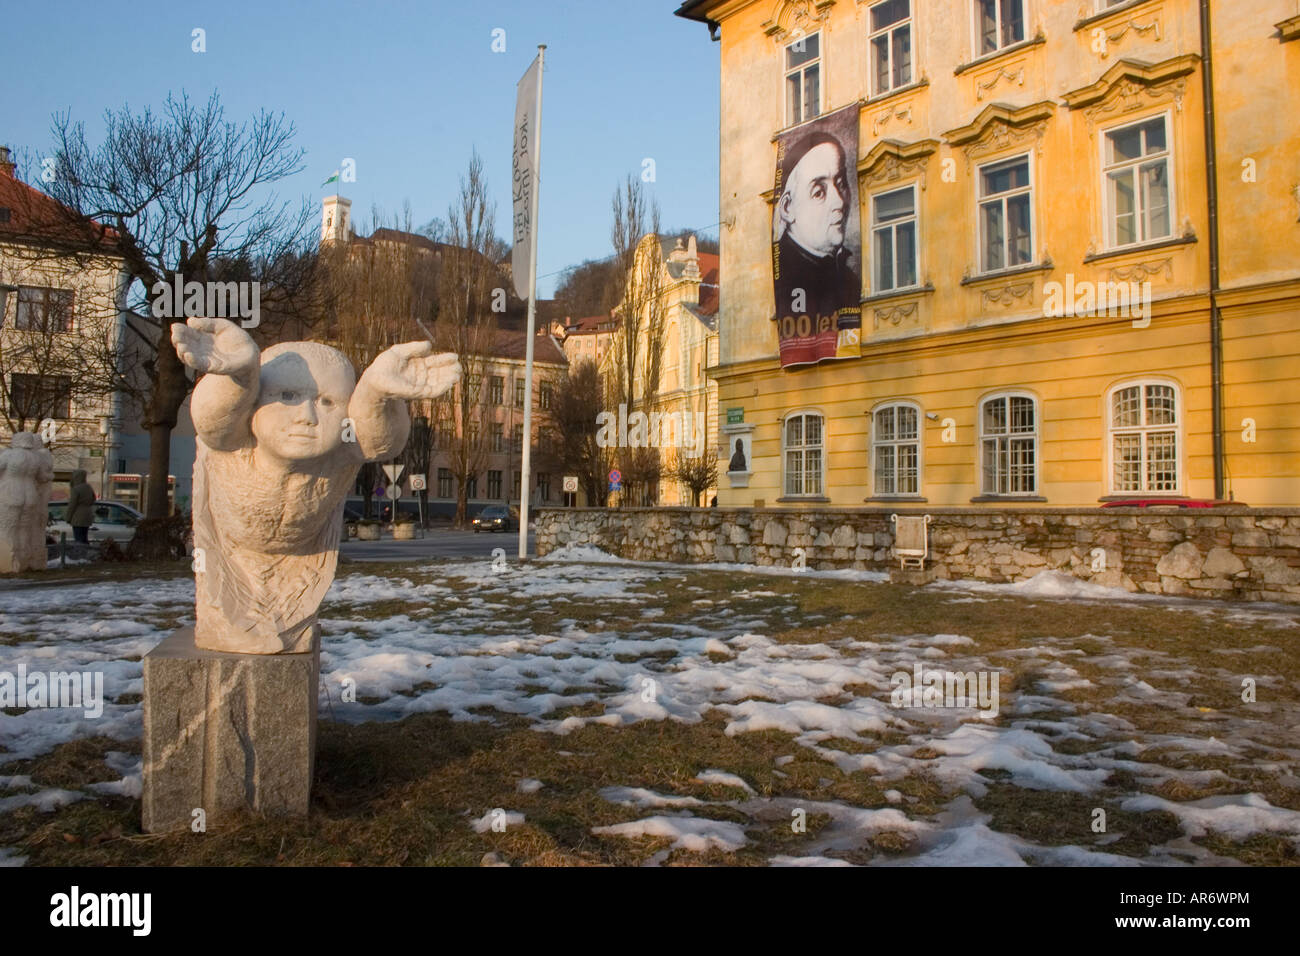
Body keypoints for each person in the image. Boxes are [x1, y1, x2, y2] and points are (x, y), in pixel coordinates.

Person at [171, 316, 460, 653]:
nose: (307, 415)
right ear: (254, 402)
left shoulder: (337, 452)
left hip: (299, 571)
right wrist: (239, 375)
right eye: (288, 395)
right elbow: (212, 422)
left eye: (327, 402)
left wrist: (376, 394)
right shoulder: (238, 438)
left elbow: (379, 441)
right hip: (231, 564)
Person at [772, 131, 861, 323]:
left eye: (841, 183)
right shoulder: (787, 276)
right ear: (787, 207)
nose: (839, 202)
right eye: (819, 192)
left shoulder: (847, 277)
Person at [67, 469, 96, 545]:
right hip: (88, 516)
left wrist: (68, 518)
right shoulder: (88, 487)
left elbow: (72, 505)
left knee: (78, 540)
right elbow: (94, 499)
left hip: (78, 517)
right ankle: (85, 554)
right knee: (84, 538)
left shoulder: (76, 489)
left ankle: (80, 555)